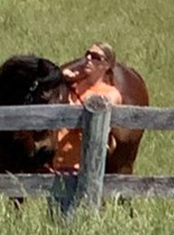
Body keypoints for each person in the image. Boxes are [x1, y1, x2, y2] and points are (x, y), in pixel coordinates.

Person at [52, 42, 123, 173]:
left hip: (84, 166)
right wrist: (69, 76)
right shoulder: (74, 85)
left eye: (95, 56)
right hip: (57, 162)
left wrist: (73, 115)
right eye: (87, 54)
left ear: (106, 65)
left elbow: (100, 129)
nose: (89, 59)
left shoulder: (110, 94)